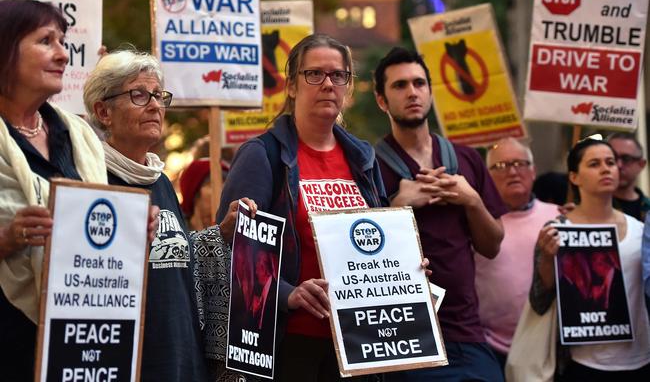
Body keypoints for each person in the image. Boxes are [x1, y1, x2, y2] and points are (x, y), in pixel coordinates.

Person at [216, 34, 388, 381]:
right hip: (290, 345)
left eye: (338, 76)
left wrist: (407, 274)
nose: (327, 84)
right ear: (292, 85)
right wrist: (287, 294)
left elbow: (379, 241)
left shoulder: (364, 159)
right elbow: (229, 250)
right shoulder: (261, 156)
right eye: (315, 74)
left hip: (360, 344)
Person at [373, 47, 506, 381]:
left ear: (431, 92)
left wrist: (471, 200)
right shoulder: (368, 165)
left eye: (419, 83)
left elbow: (492, 246)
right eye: (400, 86)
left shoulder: (467, 159)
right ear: (381, 100)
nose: (412, 92)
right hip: (403, 337)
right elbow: (356, 254)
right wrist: (396, 209)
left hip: (468, 334)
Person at [84, 50, 209, 382]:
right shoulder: (90, 180)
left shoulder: (160, 180)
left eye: (158, 95)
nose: (155, 105)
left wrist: (220, 235)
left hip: (180, 359)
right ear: (103, 111)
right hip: (128, 362)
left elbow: (176, 267)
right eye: (138, 95)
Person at [0, 0, 108, 380]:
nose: (64, 55)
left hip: (82, 339)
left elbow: (99, 228)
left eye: (63, 41)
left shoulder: (78, 135)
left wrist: (126, 228)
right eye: (46, 41)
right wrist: (7, 240)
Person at [531, 138, 650, 379]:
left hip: (641, 360)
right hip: (581, 364)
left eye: (610, 162)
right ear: (574, 177)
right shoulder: (557, 230)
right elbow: (539, 301)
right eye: (594, 164)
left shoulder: (641, 230)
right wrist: (546, 258)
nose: (606, 169)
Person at [474, 137, 559, 369]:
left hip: (547, 346)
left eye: (520, 164)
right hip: (490, 348)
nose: (512, 172)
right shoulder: (477, 221)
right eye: (501, 166)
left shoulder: (559, 217)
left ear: (533, 171)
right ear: (487, 177)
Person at [608, 132, 650, 222]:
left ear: (641, 164)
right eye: (612, 158)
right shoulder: (591, 208)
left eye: (626, 159)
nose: (618, 165)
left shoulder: (648, 208)